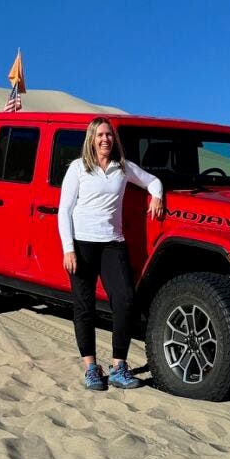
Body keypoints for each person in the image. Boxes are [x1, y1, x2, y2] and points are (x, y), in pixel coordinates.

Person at [59, 117, 165, 390]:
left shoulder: (122, 167)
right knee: (84, 306)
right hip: (82, 244)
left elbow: (153, 181)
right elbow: (65, 211)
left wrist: (157, 196)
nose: (105, 139)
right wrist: (68, 249)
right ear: (91, 139)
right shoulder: (78, 168)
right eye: (100, 135)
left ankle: (119, 366)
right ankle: (91, 368)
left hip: (112, 243)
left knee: (125, 301)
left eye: (109, 135)